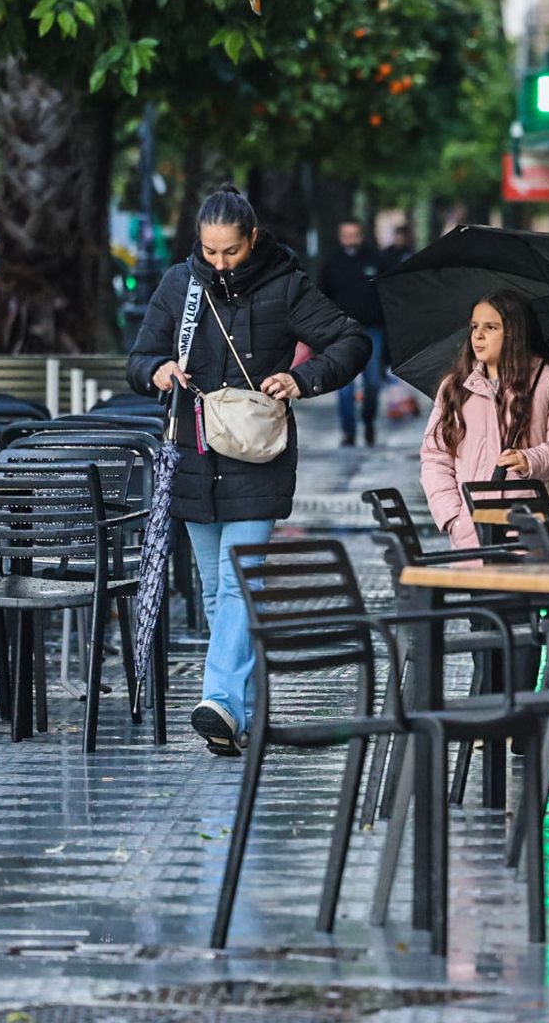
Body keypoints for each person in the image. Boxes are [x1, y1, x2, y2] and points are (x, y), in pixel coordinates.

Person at [127, 184, 370, 757]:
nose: (219, 262)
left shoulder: (285, 285)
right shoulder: (178, 285)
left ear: (252, 238)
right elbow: (137, 359)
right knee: (218, 593)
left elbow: (351, 340)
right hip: (193, 455)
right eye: (210, 251)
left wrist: (301, 380)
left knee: (240, 582)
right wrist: (157, 371)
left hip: (258, 458)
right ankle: (243, 715)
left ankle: (217, 698)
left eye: (230, 251)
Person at [419, 289, 549, 549]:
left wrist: (529, 459)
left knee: (526, 590)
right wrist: (454, 517)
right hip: (472, 533)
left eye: (491, 327)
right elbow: (435, 457)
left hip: (532, 530)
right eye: (475, 326)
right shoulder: (455, 387)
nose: (479, 335)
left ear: (514, 333)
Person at [318, 217, 389, 446]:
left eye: (354, 234)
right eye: (345, 234)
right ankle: (348, 431)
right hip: (342, 333)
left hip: (372, 330)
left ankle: (368, 422)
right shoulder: (332, 263)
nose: (350, 239)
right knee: (344, 385)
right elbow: (321, 297)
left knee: (372, 382)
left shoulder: (377, 260)